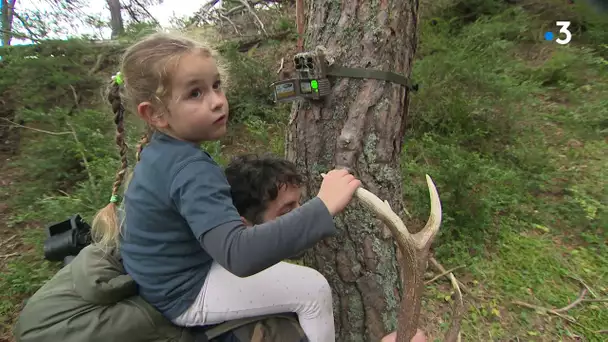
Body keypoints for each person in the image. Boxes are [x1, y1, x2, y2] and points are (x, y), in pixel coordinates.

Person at [90, 31, 361, 342]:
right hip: (183, 292)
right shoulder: (190, 168)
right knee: (313, 289)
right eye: (195, 93)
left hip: (160, 280)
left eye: (216, 86)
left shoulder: (160, 152)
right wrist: (322, 206)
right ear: (155, 114)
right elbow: (238, 255)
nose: (217, 101)